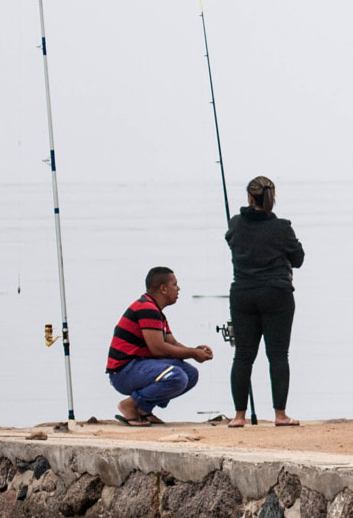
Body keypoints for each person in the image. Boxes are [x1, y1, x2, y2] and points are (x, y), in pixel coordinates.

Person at [224, 175, 305, 428]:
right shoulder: (282, 227)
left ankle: (239, 416)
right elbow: (299, 258)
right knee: (278, 355)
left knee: (243, 356)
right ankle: (280, 415)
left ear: (250, 197)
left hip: (243, 293)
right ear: (272, 197)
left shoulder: (236, 223)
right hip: (276, 293)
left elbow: (231, 242)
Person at [107, 267, 214, 425]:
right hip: (124, 372)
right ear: (163, 289)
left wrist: (195, 351)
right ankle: (129, 405)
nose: (178, 289)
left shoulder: (157, 312)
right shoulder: (146, 308)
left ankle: (144, 410)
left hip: (140, 366)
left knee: (190, 373)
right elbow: (158, 349)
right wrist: (192, 353)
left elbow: (172, 343)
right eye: (174, 285)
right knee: (177, 376)